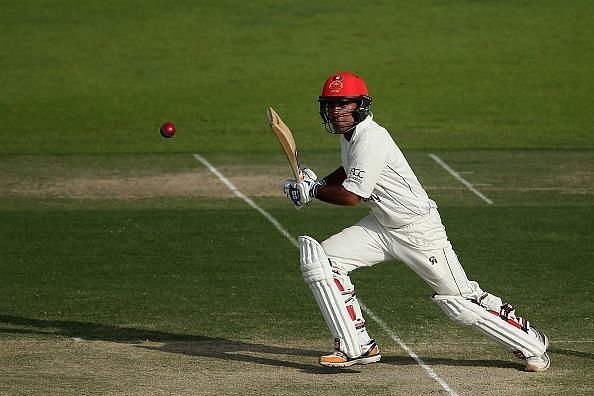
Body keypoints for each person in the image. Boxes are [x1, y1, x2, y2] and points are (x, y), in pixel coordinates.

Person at [282, 71, 550, 371]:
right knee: (323, 261)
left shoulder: (371, 138)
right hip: (382, 225)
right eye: (332, 105)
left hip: (418, 232)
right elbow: (348, 171)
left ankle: (530, 343)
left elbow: (351, 197)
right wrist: (316, 183)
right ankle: (356, 345)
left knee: (459, 304)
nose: (337, 112)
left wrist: (313, 190)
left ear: (360, 106)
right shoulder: (351, 136)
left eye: (344, 105)